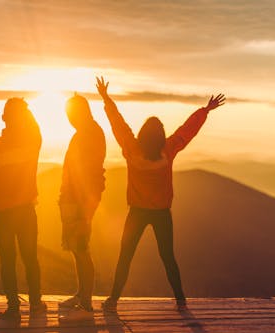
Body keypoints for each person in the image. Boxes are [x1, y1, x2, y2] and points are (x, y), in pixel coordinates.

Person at [95, 77, 225, 312]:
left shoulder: (131, 148)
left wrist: (106, 98)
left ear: (143, 133)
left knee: (125, 257)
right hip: (162, 213)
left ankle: (113, 300)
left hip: (136, 212)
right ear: (161, 134)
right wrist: (205, 110)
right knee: (168, 258)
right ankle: (180, 300)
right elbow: (188, 130)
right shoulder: (169, 148)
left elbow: (118, 124)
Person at [0, 98, 46, 322]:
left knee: (7, 260)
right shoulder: (31, 145)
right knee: (30, 258)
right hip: (25, 210)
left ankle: (13, 307)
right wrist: (26, 110)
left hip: (2, 212)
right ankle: (35, 304)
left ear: (5, 118)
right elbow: (36, 129)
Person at [58, 94, 106, 322]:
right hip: (71, 199)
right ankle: (80, 294)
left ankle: (86, 304)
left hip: (81, 201)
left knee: (82, 249)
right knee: (76, 248)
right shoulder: (81, 134)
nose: (68, 119)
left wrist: (87, 207)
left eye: (71, 114)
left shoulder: (92, 134)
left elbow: (93, 174)